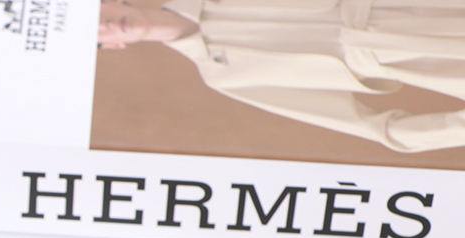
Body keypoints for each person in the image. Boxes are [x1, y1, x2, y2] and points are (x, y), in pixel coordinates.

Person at [98, 0, 465, 153]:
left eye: (94, 13)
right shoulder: (224, 75)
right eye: (96, 35)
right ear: (112, 47)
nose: (105, 24)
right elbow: (373, 126)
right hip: (425, 63)